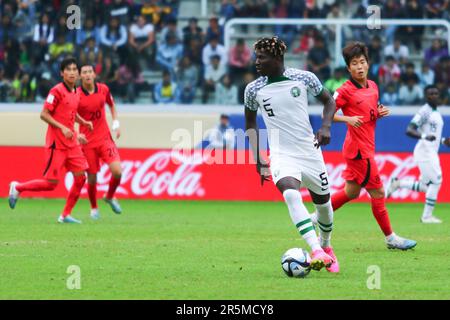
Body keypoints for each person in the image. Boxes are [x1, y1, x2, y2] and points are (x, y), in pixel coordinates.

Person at [244, 37, 338, 272]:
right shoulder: (253, 89)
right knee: (290, 193)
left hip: (310, 152)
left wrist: (326, 126)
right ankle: (315, 250)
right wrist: (258, 158)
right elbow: (250, 124)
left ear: (277, 58)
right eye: (256, 57)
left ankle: (327, 247)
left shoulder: (304, 78)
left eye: (261, 57)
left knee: (324, 208)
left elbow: (329, 102)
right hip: (281, 153)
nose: (257, 62)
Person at [310, 42, 417, 250]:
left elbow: (369, 112)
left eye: (362, 62)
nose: (359, 67)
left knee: (350, 192)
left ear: (368, 64)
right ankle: (391, 238)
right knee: (378, 193)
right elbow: (327, 113)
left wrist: (379, 112)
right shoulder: (344, 90)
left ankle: (314, 217)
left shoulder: (374, 87)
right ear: (348, 69)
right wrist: (347, 119)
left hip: (363, 148)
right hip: (359, 152)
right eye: (354, 64)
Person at [8, 57, 92, 224]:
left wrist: (82, 123)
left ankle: (65, 215)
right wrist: (62, 128)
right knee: (51, 184)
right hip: (56, 144)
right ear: (62, 73)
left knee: (81, 177)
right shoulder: (56, 91)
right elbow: (44, 114)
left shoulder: (76, 91)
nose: (73, 72)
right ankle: (17, 187)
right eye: (69, 69)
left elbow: (71, 113)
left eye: (75, 69)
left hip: (72, 143)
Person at [386, 85, 450, 223]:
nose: (434, 95)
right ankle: (426, 217)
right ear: (426, 96)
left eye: (436, 93)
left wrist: (444, 141)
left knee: (426, 186)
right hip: (425, 151)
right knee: (437, 181)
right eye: (430, 94)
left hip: (431, 151)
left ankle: (398, 184)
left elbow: (434, 136)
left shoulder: (436, 113)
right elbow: (409, 129)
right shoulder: (424, 111)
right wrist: (424, 136)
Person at [77, 64, 123, 220]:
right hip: (87, 142)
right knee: (92, 178)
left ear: (94, 74)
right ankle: (94, 208)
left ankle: (109, 197)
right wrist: (76, 134)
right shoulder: (76, 95)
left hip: (104, 139)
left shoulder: (103, 89)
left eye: (90, 71)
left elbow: (111, 104)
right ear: (80, 76)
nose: (88, 74)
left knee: (117, 171)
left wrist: (116, 122)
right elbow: (69, 116)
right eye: (84, 72)